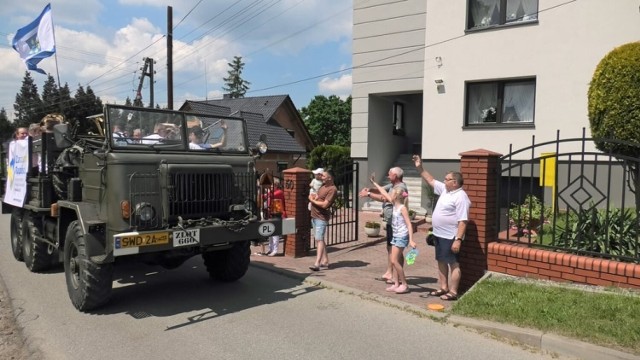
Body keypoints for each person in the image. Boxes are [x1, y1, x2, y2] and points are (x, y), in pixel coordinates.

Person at [413, 154, 471, 301]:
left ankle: (453, 291)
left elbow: (463, 221)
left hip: (451, 236)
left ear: (455, 182)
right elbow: (430, 180)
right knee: (440, 260)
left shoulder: (461, 197)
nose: (444, 181)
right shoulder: (446, 190)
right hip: (439, 234)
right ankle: (443, 287)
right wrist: (420, 167)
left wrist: (458, 239)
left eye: (447, 179)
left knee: (453, 263)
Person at [358, 167, 408, 284]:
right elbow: (381, 190)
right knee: (390, 248)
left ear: (395, 176)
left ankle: (397, 276)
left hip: (396, 223)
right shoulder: (393, 185)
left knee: (395, 250)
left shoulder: (399, 188)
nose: (388, 176)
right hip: (391, 222)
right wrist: (370, 189)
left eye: (389, 174)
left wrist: (369, 194)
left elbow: (384, 197)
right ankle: (390, 272)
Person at [369, 175, 417, 294]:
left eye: (392, 193)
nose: (390, 194)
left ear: (396, 196)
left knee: (395, 260)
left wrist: (411, 240)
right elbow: (383, 192)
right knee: (394, 259)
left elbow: (409, 225)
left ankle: (404, 284)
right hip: (396, 236)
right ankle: (396, 283)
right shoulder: (393, 203)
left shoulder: (402, 208)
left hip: (402, 236)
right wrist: (374, 184)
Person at [308, 169, 338, 271]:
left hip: (321, 217)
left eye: (324, 176)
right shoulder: (323, 186)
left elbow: (325, 204)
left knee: (319, 239)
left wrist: (312, 200)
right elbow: (318, 197)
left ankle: (317, 263)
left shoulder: (332, 189)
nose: (322, 177)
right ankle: (325, 261)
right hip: (315, 216)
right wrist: (314, 197)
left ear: (329, 177)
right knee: (319, 239)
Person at [265, 178, 287, 256]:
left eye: (271, 185)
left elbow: (269, 196)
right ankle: (270, 249)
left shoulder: (279, 192)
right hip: (271, 214)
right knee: (270, 233)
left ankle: (275, 250)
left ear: (275, 185)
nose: (270, 187)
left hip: (278, 214)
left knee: (275, 233)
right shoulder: (272, 192)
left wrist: (266, 193)